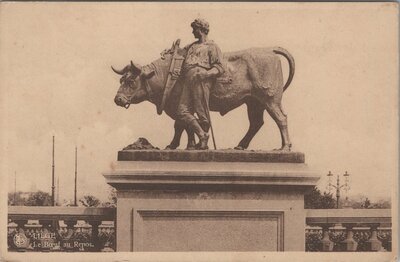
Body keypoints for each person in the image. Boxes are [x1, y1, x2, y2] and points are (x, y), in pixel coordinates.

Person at [177, 18, 225, 150]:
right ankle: (202, 135)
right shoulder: (191, 46)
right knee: (181, 112)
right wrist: (170, 50)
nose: (193, 32)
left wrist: (206, 74)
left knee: (201, 112)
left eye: (195, 29)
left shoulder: (212, 47)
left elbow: (220, 67)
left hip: (201, 79)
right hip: (188, 79)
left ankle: (203, 139)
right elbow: (179, 53)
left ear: (202, 30)